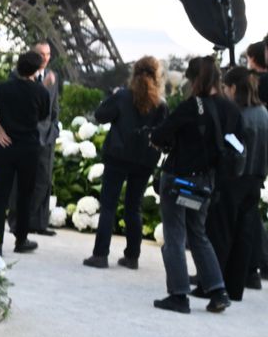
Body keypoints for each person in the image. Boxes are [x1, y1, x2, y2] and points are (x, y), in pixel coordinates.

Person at [150, 55, 236, 314]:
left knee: (175, 235)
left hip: (179, 178)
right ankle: (218, 289)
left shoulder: (191, 107)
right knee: (198, 233)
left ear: (194, 79)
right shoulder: (227, 109)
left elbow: (161, 134)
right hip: (206, 181)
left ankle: (178, 295)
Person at [83, 56, 166, 270]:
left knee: (109, 205)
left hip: (117, 157)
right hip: (144, 161)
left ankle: (100, 254)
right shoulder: (160, 104)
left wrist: (111, 98)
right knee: (133, 207)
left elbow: (101, 116)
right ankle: (132, 256)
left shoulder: (122, 96)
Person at [0, 51, 52, 254]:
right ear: (37, 70)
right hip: (29, 148)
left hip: (5, 146)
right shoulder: (41, 92)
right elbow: (44, 115)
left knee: (0, 196)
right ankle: (21, 240)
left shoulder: (3, 88)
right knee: (25, 195)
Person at [208, 67, 268, 302]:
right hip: (255, 179)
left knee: (222, 231)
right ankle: (235, 286)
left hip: (235, 179)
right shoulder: (263, 114)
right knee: (244, 234)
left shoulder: (239, 116)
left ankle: (215, 281)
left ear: (233, 88)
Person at [27, 40, 60, 234]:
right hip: (29, 134)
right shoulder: (22, 75)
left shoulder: (52, 76)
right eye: (41, 54)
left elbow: (54, 107)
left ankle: (39, 223)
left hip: (47, 135)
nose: (45, 58)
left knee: (45, 180)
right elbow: (31, 103)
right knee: (27, 180)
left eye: (48, 54)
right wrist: (44, 88)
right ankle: (22, 220)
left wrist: (54, 129)